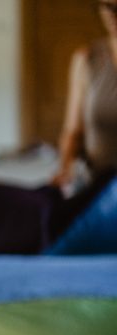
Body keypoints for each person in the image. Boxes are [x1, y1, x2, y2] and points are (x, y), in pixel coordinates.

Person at [53, 0, 117, 192]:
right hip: (98, 185)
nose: (112, 15)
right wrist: (64, 169)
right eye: (106, 7)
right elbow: (72, 130)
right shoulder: (86, 59)